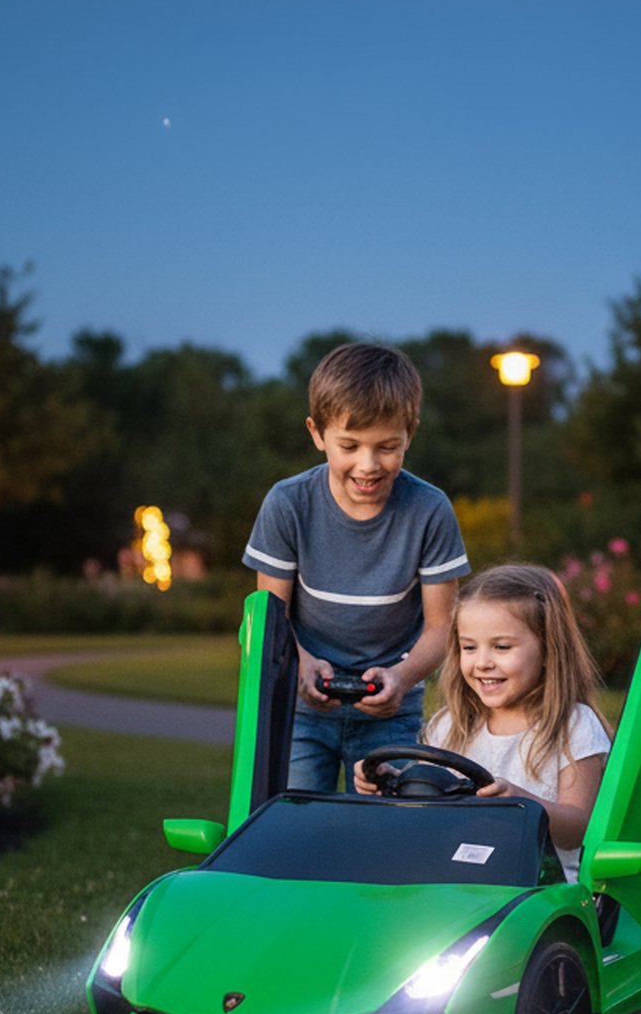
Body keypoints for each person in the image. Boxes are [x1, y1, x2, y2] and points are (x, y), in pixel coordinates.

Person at [242, 341, 470, 792]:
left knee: (384, 828)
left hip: (391, 711)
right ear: (317, 433)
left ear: (410, 434)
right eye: (349, 446)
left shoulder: (429, 510)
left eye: (387, 447)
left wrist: (400, 678)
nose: (368, 465)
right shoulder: (288, 504)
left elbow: (441, 627)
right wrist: (304, 665)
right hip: (302, 710)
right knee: (296, 821)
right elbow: (271, 621)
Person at [357, 563, 611, 880]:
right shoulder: (449, 726)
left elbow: (578, 828)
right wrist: (394, 785)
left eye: (501, 647)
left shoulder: (574, 725)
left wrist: (523, 806)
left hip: (540, 888)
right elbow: (430, 811)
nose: (482, 663)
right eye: (469, 647)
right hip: (457, 880)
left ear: (548, 649)